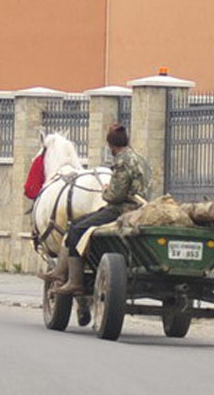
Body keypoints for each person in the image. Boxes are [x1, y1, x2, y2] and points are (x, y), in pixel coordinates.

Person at [47, 123, 151, 295]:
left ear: (111, 145)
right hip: (141, 209)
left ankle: (74, 282)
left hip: (121, 210)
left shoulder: (122, 161)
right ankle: (60, 271)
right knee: (79, 224)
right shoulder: (141, 159)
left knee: (75, 228)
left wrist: (105, 191)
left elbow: (115, 196)